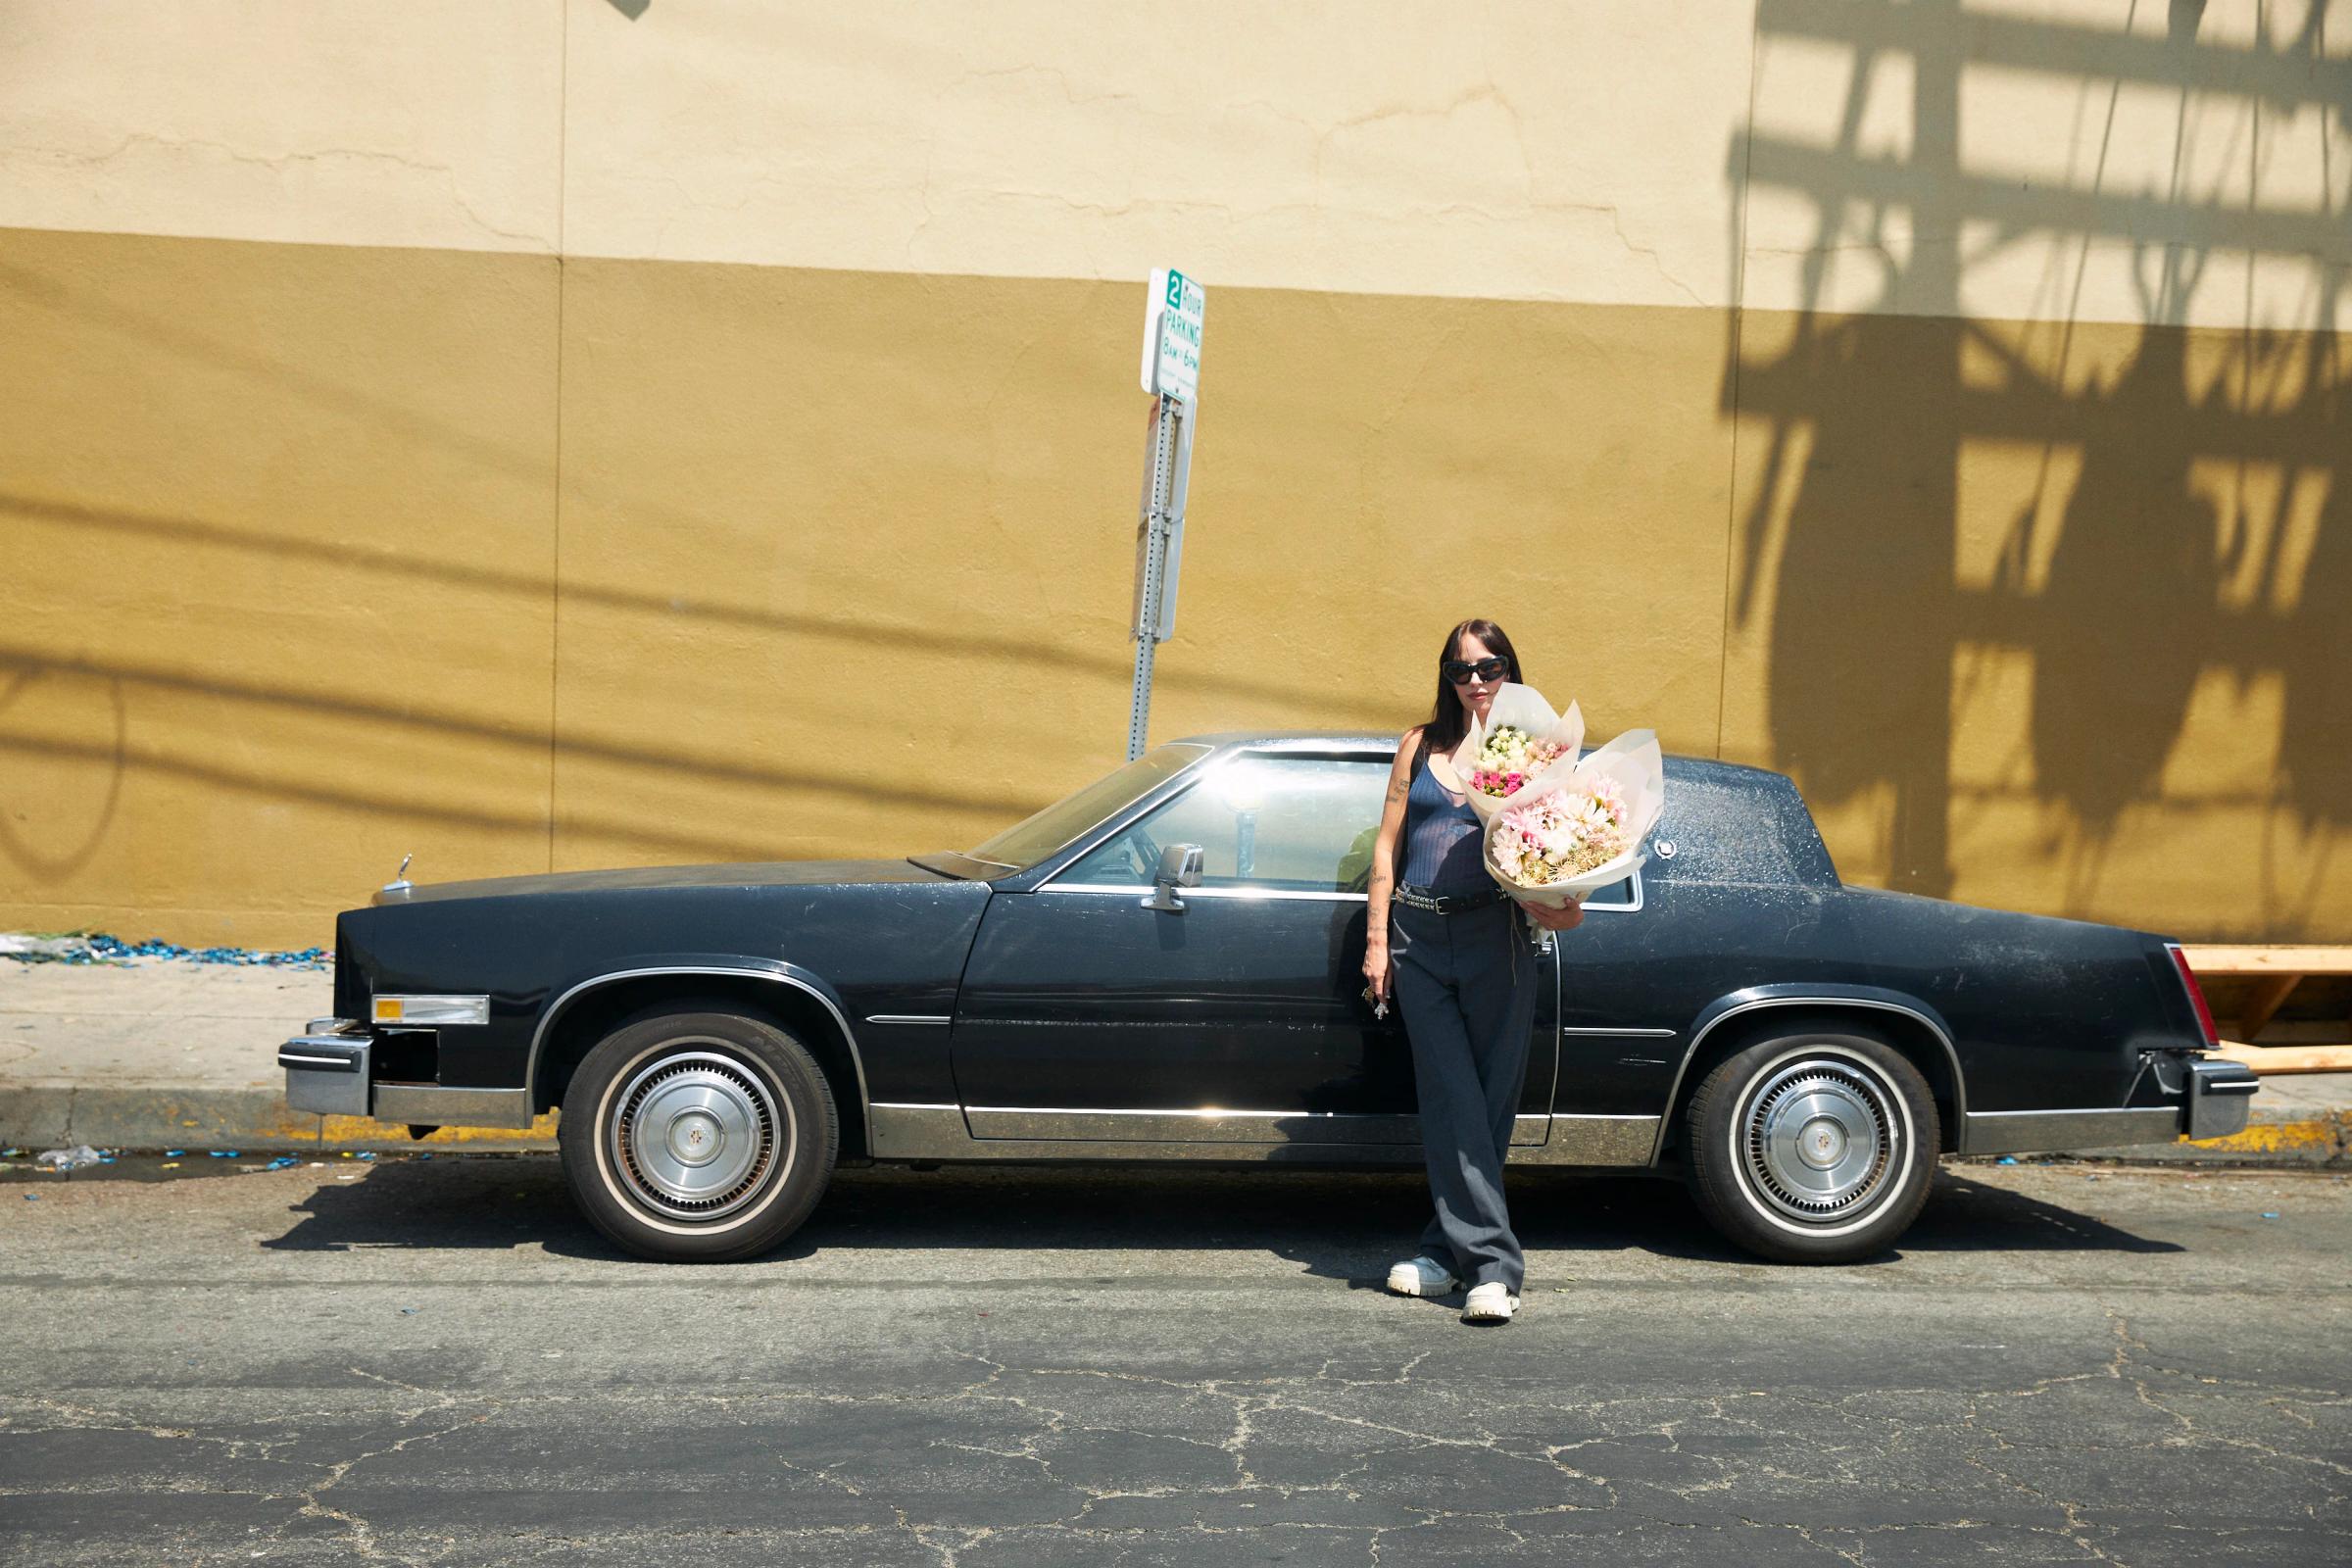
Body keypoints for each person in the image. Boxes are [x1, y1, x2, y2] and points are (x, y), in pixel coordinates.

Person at [1363, 618, 1583, 1325]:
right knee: (1450, 1095)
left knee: (1485, 1103)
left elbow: (1559, 852)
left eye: (1490, 668)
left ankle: (1453, 1256)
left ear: (1511, 671)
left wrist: (1563, 905)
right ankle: (1486, 1265)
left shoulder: (1536, 753)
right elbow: (1386, 847)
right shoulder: (1418, 747)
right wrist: (1376, 941)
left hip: (1498, 936)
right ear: (1446, 678)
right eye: (1462, 671)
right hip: (1417, 935)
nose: (1477, 682)